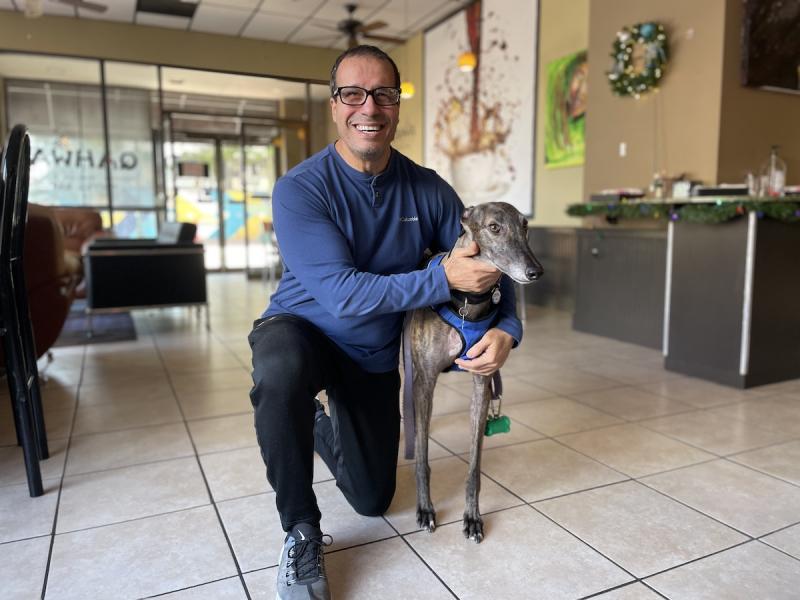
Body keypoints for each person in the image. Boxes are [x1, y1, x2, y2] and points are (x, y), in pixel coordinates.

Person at [248, 45, 523, 600]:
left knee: (374, 499)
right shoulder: (301, 189)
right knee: (279, 372)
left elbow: (493, 249)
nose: (368, 107)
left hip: (372, 352)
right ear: (335, 106)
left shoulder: (427, 188)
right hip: (302, 327)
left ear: (397, 106)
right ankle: (299, 532)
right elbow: (342, 294)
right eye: (353, 93)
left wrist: (507, 330)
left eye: (383, 94)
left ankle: (320, 425)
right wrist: (442, 278)